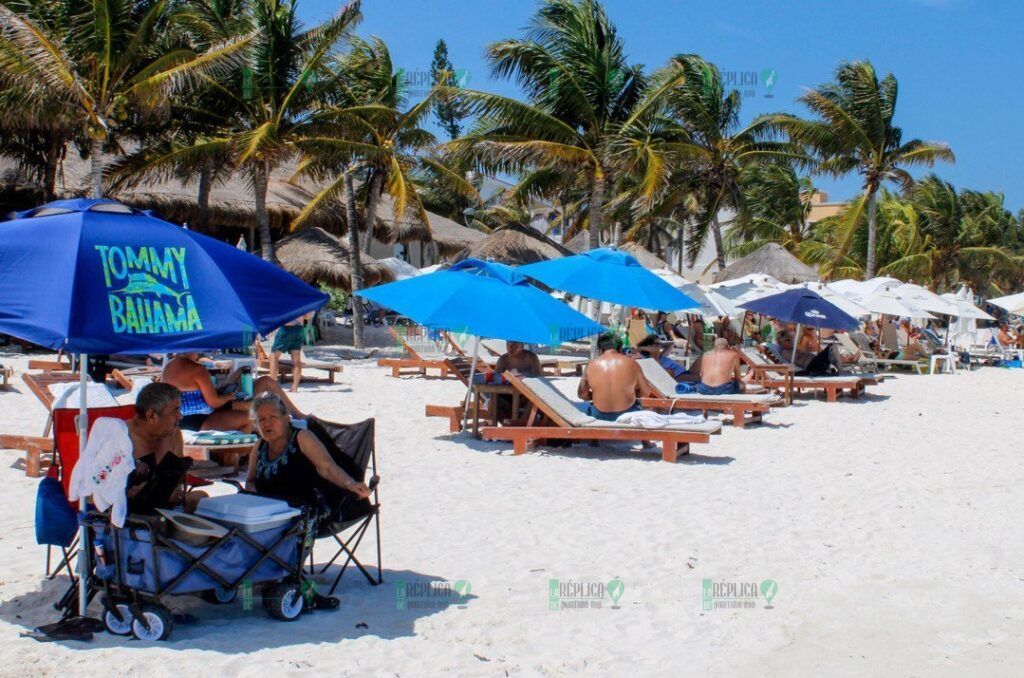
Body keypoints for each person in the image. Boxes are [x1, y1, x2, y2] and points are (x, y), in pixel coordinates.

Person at [246, 392, 371, 609]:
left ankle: (302, 590)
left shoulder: (302, 438)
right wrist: (253, 495)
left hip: (304, 510)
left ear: (286, 418)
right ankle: (266, 578)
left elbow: (327, 467)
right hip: (268, 512)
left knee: (299, 524)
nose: (266, 423)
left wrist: (351, 484)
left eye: (272, 417)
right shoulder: (260, 446)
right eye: (261, 419)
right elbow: (250, 480)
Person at [162, 352, 305, 432]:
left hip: (180, 419)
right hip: (201, 420)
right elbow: (214, 403)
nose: (199, 352)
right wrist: (230, 396)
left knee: (257, 391)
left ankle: (233, 456)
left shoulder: (169, 367)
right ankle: (235, 457)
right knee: (248, 417)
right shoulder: (198, 370)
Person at [125, 383, 207, 514]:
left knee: (201, 498)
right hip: (128, 513)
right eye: (175, 410)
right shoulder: (121, 436)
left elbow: (178, 480)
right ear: (151, 415)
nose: (180, 416)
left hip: (165, 510)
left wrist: (178, 491)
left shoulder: (173, 434)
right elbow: (95, 492)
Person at [577, 333, 653, 420]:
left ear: (601, 350)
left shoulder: (590, 365)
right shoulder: (632, 363)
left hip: (599, 415)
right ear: (620, 348)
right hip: (628, 414)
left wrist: (594, 396)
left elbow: (582, 394)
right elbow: (646, 391)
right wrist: (631, 394)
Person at [270, 312, 313, 393]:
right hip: (299, 330)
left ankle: (272, 387)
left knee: (274, 357)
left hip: (286, 329)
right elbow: (307, 317)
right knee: (296, 360)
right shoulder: (305, 302)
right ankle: (295, 387)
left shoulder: (288, 299)